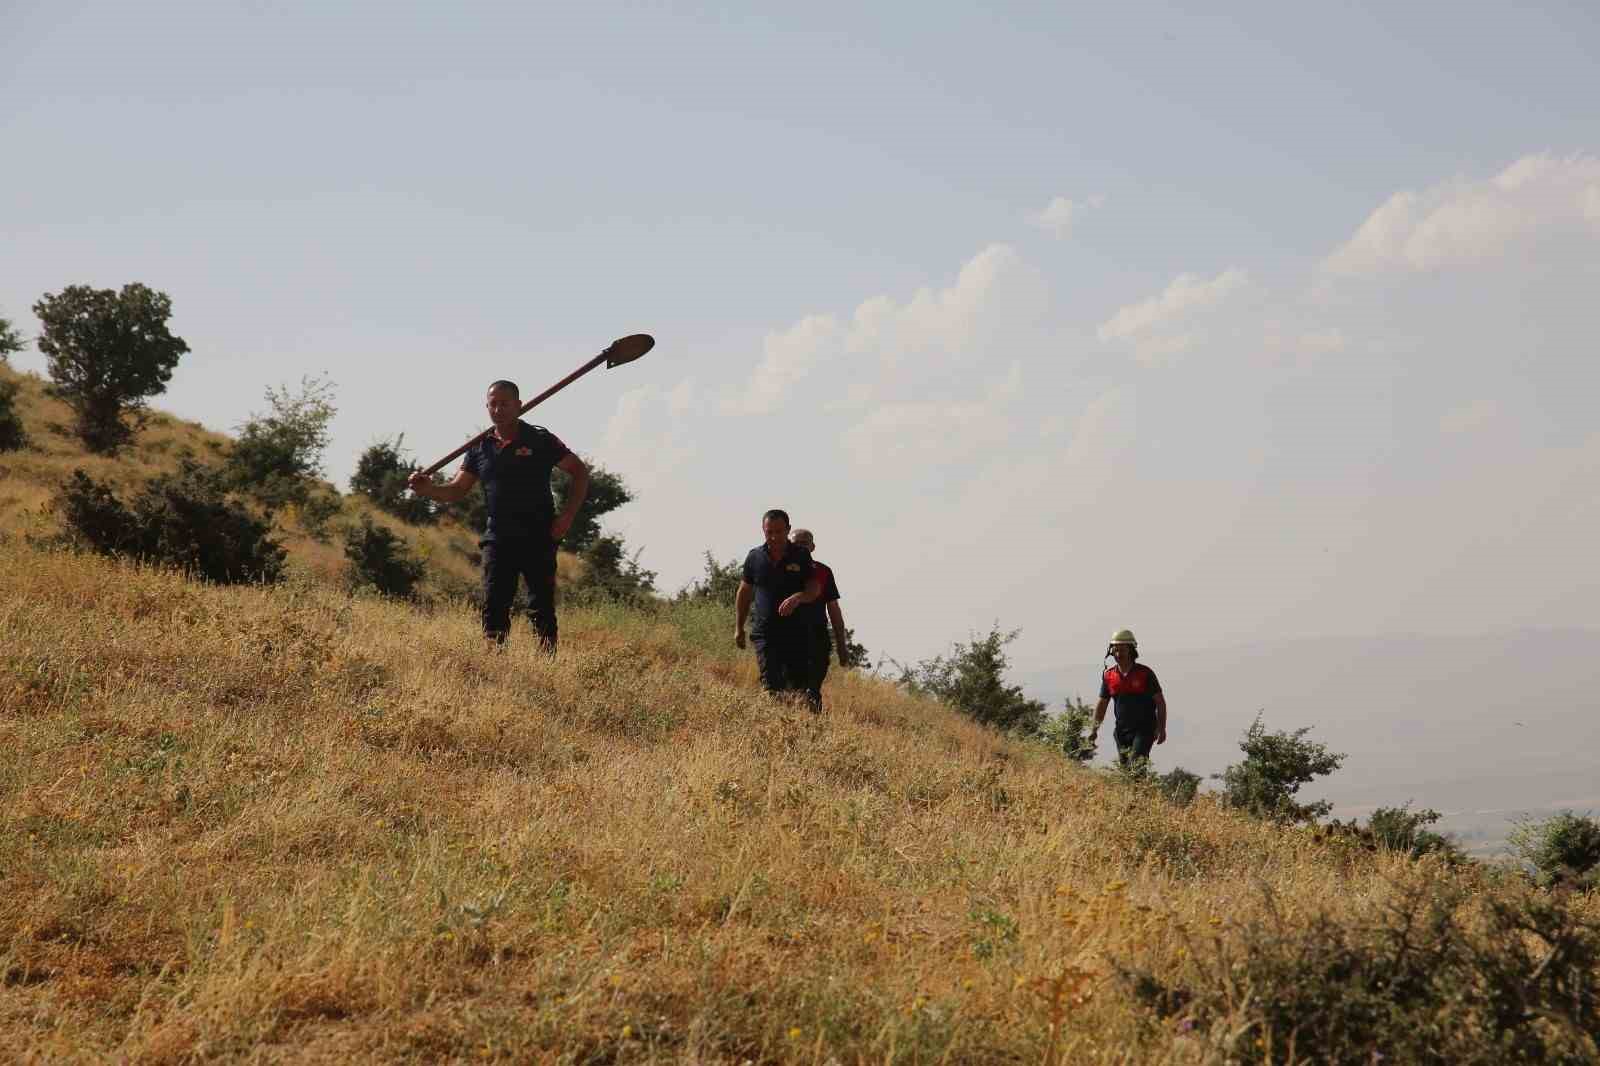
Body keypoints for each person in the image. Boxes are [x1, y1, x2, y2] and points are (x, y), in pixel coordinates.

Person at [408, 379, 589, 650]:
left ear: (519, 405)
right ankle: (494, 662)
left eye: (504, 403)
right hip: (498, 537)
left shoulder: (540, 439)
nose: (498, 409)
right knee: (494, 603)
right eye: (493, 404)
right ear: (487, 408)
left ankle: (547, 665)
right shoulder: (479, 447)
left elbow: (579, 472)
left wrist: (566, 518)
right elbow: (457, 490)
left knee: (541, 606)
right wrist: (427, 489)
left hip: (539, 535)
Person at [733, 509, 823, 709]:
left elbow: (814, 587)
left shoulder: (801, 556)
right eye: (769, 532)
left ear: (788, 530)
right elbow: (744, 591)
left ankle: (798, 727)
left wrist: (799, 597)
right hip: (765, 633)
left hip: (796, 633)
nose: (773, 537)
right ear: (763, 530)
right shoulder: (754, 557)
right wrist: (739, 627)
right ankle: (774, 724)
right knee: (771, 685)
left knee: (798, 687)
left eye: (779, 532)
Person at [790, 528, 849, 711]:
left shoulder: (823, 572)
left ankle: (814, 729)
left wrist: (841, 645)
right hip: (787, 637)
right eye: (795, 544)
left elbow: (834, 609)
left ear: (813, 547)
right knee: (790, 688)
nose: (800, 547)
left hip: (816, 638)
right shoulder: (777, 569)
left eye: (804, 544)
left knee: (812, 689)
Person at [1092, 628, 1167, 766]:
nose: (1119, 653)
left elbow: (1160, 702)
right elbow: (1102, 705)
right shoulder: (1109, 676)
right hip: (1121, 732)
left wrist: (1161, 728)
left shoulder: (1145, 673)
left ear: (1131, 650)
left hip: (1144, 730)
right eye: (1116, 649)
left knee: (1135, 768)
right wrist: (1094, 730)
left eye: (1123, 649)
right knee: (1126, 772)